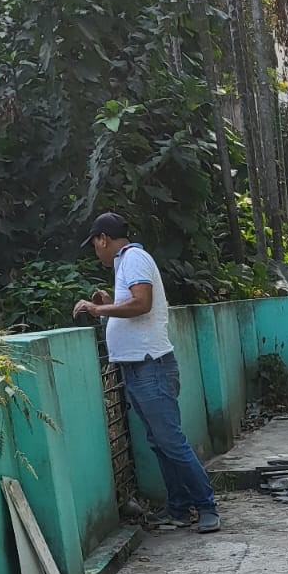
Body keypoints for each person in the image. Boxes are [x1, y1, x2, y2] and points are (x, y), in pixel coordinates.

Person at [73, 213, 220, 533]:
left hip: (150, 366)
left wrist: (98, 309)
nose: (96, 252)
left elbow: (142, 303)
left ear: (103, 239)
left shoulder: (134, 258)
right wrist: (110, 303)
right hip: (139, 367)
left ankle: (206, 506)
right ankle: (179, 509)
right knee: (160, 442)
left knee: (171, 441)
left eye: (95, 245)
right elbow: (134, 308)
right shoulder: (125, 263)